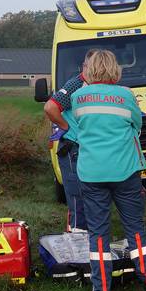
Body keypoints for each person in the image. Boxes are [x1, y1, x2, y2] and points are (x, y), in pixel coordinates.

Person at [70, 50, 146, 291]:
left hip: (91, 173)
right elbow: (138, 124)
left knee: (98, 234)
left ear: (90, 68)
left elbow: (79, 125)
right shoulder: (126, 95)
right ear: (115, 69)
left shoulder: (78, 97)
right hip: (125, 171)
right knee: (135, 229)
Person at [43, 49, 101, 232]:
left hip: (89, 148)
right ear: (85, 66)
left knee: (92, 195)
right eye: (94, 66)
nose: (98, 71)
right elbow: (50, 107)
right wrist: (66, 126)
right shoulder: (76, 84)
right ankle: (77, 235)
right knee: (77, 197)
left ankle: (93, 236)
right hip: (73, 148)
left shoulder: (99, 85)